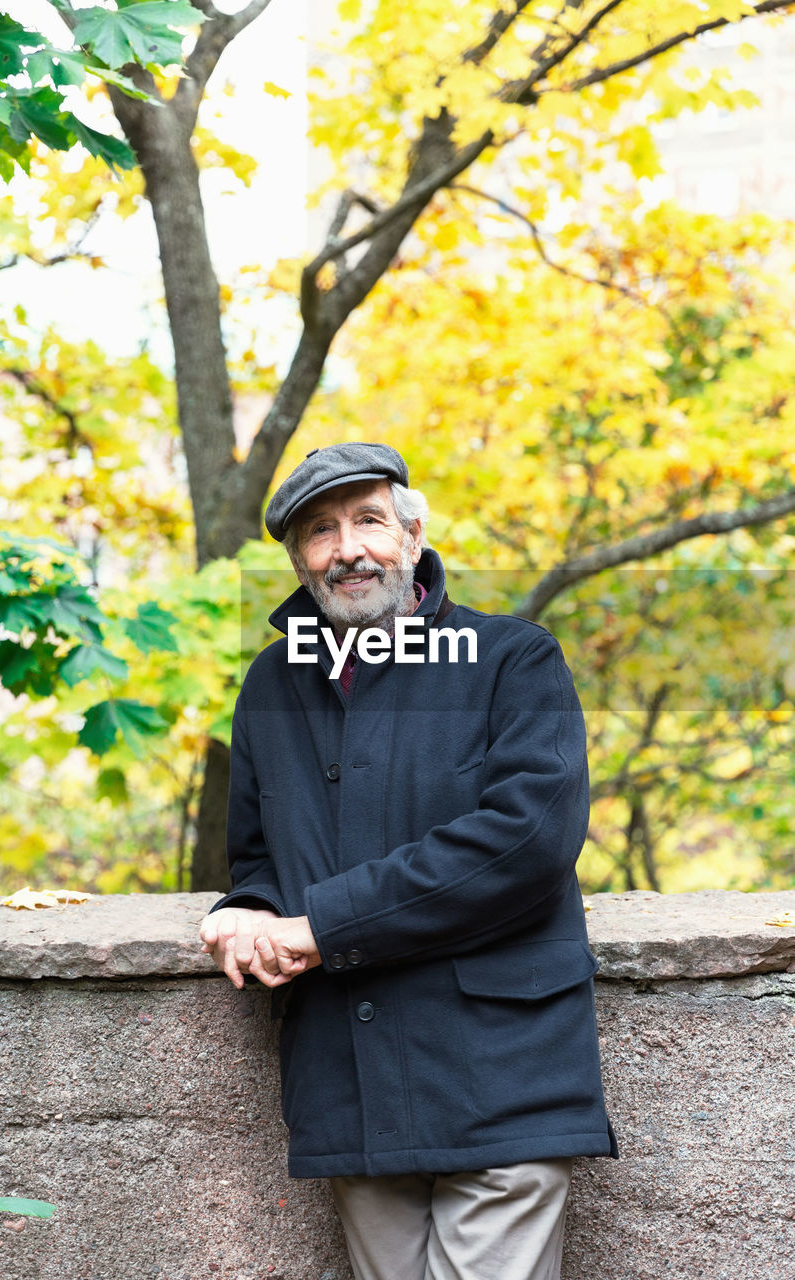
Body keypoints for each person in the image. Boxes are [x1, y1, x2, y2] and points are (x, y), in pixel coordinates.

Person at [200, 442, 617, 1280]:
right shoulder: (272, 684)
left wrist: (322, 926)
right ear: (299, 559)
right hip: (348, 1082)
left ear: (414, 536)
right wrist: (243, 907)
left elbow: (526, 840)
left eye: (368, 520)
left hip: (500, 1076)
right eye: (320, 530)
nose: (347, 547)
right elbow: (258, 853)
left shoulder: (512, 659)